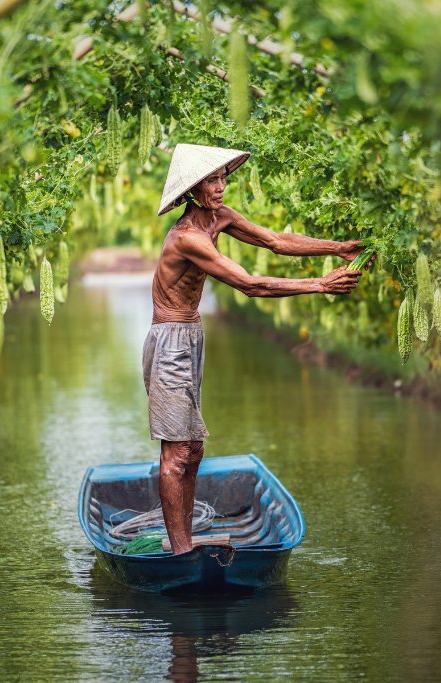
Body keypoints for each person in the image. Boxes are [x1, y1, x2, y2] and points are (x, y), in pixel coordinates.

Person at [144, 143, 365, 554]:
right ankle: (181, 553)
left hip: (191, 335)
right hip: (169, 338)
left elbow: (277, 241)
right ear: (192, 190)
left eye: (223, 176)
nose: (221, 185)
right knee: (176, 453)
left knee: (194, 449)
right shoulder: (187, 237)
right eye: (212, 179)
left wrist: (337, 248)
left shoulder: (219, 218)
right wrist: (320, 284)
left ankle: (185, 543)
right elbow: (249, 284)